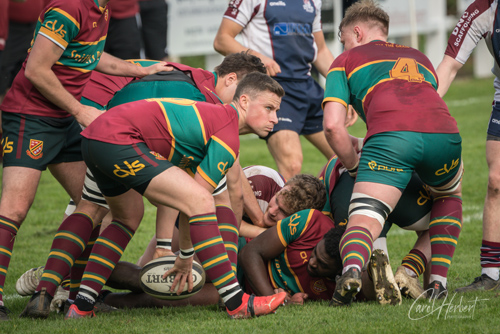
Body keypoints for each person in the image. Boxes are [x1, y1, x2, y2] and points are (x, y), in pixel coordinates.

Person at [18, 52, 267, 319]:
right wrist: (165, 245)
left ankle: (54, 292)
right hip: (96, 120)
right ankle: (232, 298)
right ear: (233, 82)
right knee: (207, 199)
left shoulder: (178, 70)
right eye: (263, 105)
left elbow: (118, 69)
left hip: (86, 119)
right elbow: (214, 190)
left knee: (97, 208)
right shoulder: (208, 105)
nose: (268, 114)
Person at [0, 0, 168, 321]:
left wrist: (138, 69)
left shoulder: (100, 8)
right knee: (15, 208)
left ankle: (70, 297)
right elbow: (36, 69)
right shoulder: (69, 6)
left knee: (93, 201)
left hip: (64, 118)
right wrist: (80, 110)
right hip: (31, 117)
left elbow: (90, 55)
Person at [322, 0, 463, 305]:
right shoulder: (420, 57)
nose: (342, 45)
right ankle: (436, 282)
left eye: (343, 38)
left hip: (391, 139)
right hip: (445, 134)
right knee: (449, 198)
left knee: (365, 219)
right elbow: (424, 104)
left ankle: (351, 270)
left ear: (356, 32)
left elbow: (333, 127)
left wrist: (353, 164)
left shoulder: (346, 59)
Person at [213, 0, 335, 180]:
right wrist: (258, 58)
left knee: (345, 156)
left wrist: (343, 90)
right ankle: (274, 208)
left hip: (307, 85)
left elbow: (321, 50)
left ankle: (317, 205)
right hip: (275, 88)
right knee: (292, 164)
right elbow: (222, 40)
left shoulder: (313, 1)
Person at [435, 0, 500, 293]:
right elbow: (449, 67)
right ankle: (491, 275)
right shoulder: (482, 9)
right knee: (496, 182)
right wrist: (422, 108)